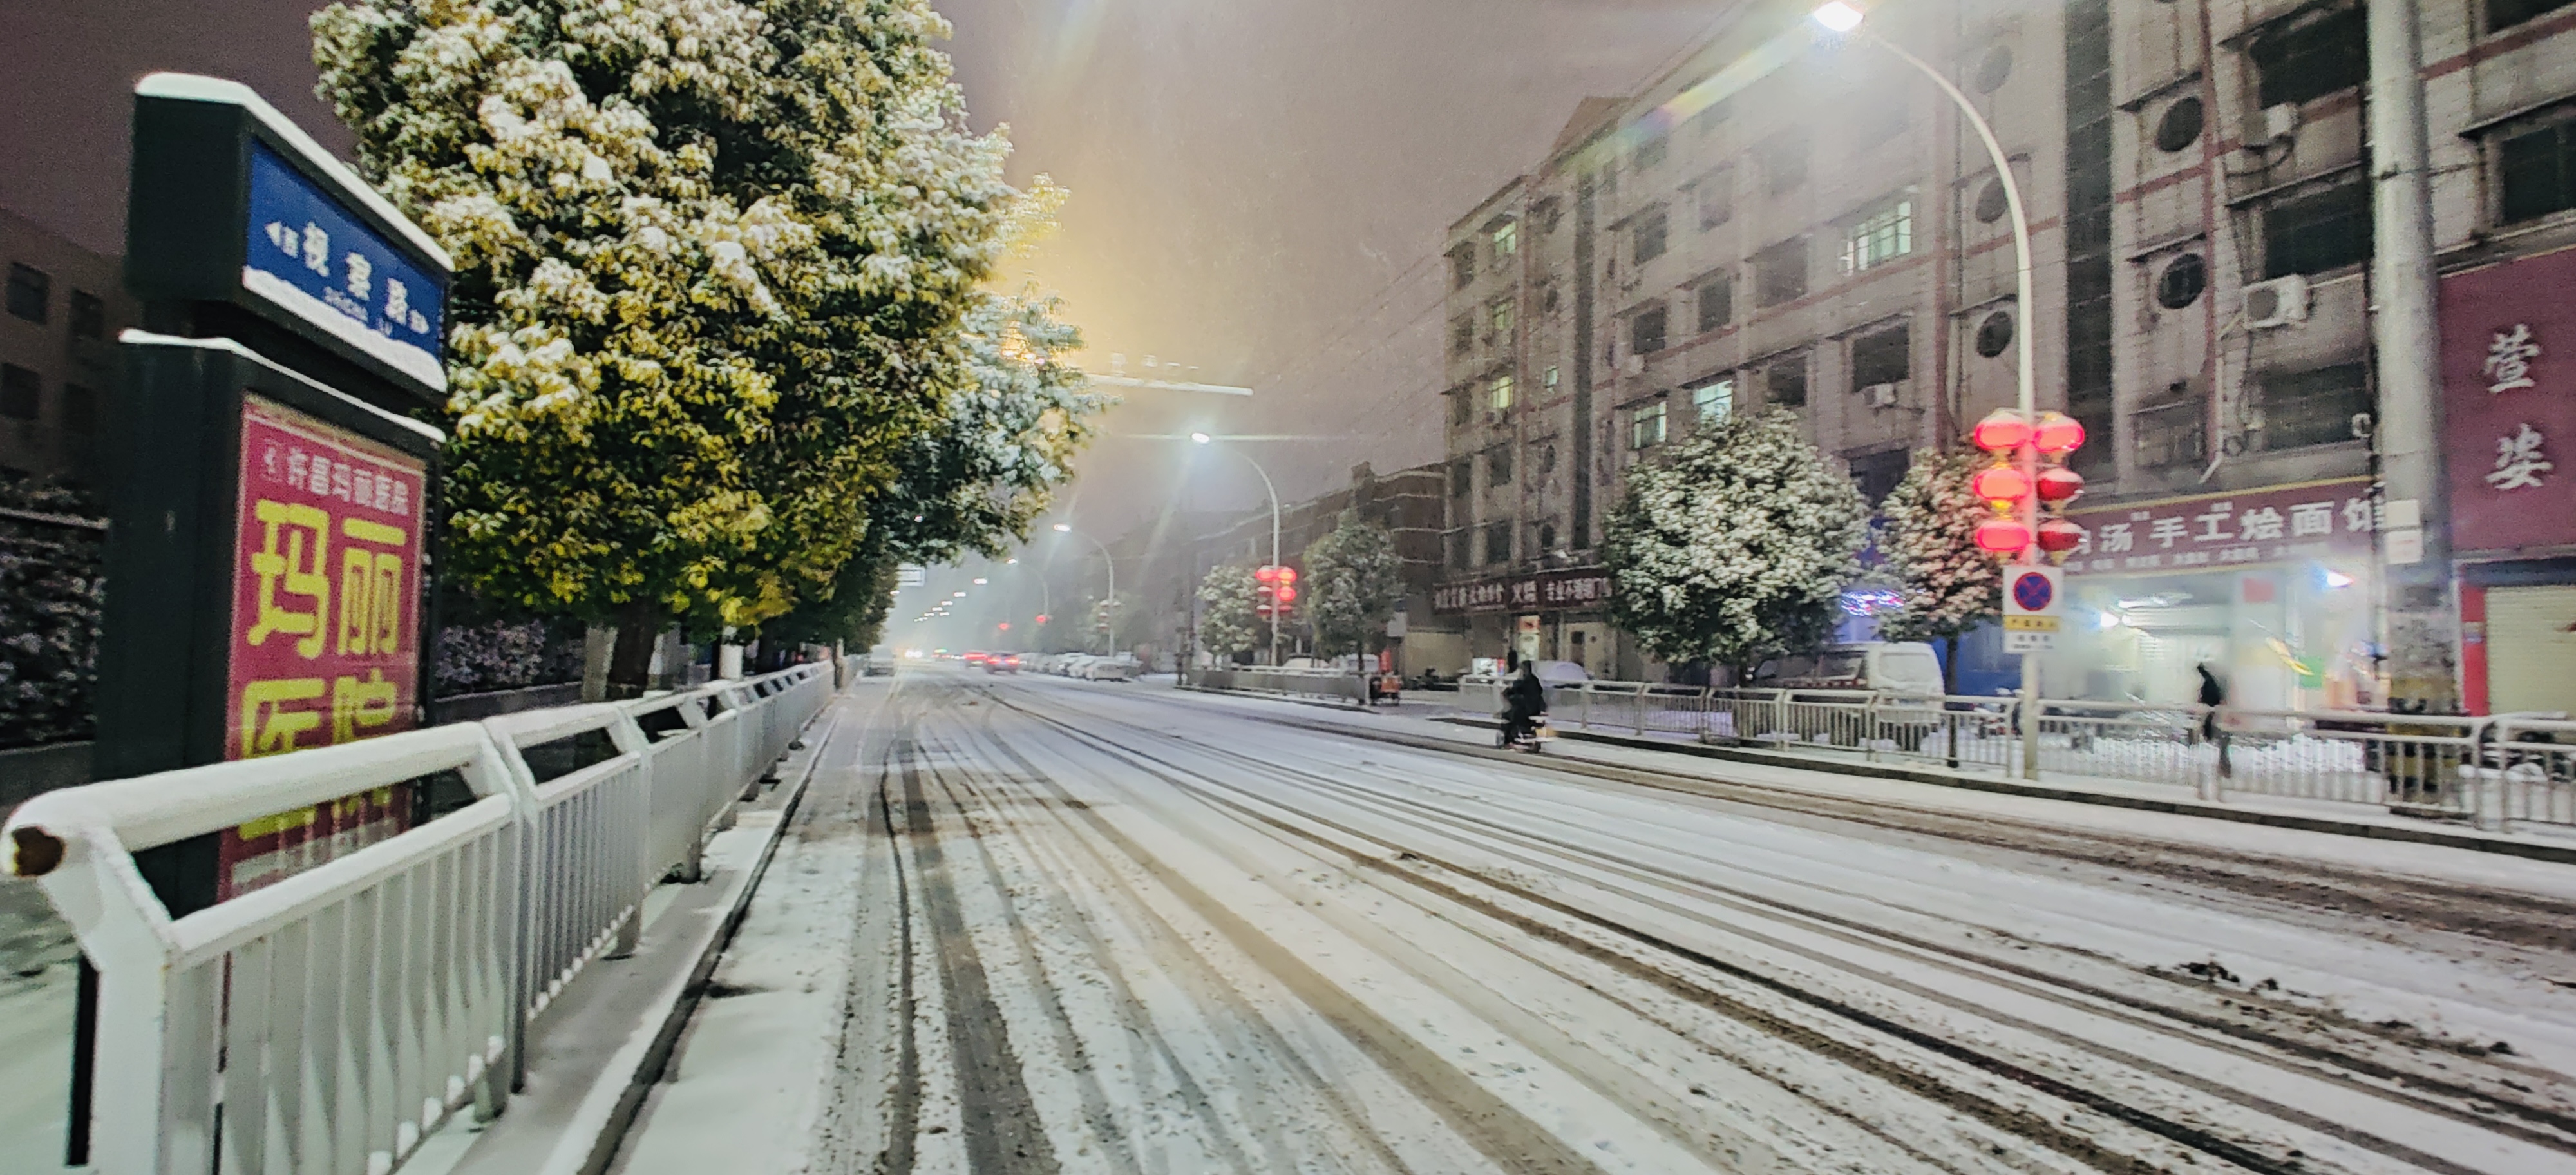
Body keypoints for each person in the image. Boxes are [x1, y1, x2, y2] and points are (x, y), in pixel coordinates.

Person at [2195, 662, 2233, 778]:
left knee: (2219, 742)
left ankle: (2222, 770)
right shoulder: (2215, 683)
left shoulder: (2210, 683)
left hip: (2215, 717)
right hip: (2216, 719)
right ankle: (2223, 770)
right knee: (2222, 743)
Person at [1502, 661, 1548, 745]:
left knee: (1510, 717)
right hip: (1535, 709)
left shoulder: (1523, 682)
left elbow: (1513, 689)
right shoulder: (1535, 680)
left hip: (1525, 710)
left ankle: (1509, 739)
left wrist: (1508, 692)